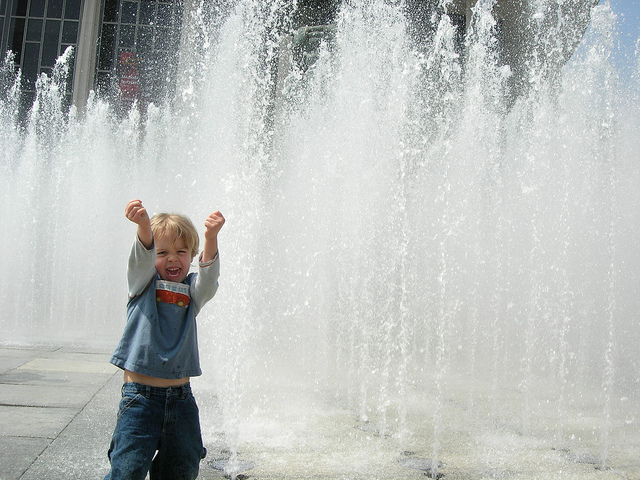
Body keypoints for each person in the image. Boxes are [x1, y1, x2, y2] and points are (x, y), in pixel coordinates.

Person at [104, 199, 225, 480]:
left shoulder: (192, 292)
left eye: (181, 252)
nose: (173, 258)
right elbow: (140, 260)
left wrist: (211, 238)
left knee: (182, 468)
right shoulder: (141, 284)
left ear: (191, 256)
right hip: (140, 399)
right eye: (163, 252)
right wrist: (144, 227)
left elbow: (209, 280)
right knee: (127, 470)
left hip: (181, 400)